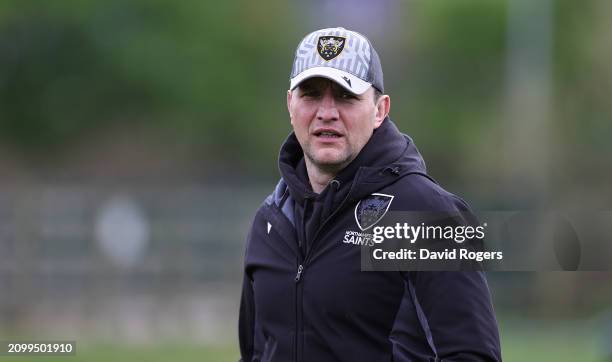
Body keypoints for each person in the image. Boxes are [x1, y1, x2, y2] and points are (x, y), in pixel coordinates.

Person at [238, 27, 501, 362]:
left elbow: (472, 355)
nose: (327, 112)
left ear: (380, 110)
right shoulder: (271, 221)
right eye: (311, 95)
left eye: (346, 96)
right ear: (290, 104)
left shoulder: (425, 216)